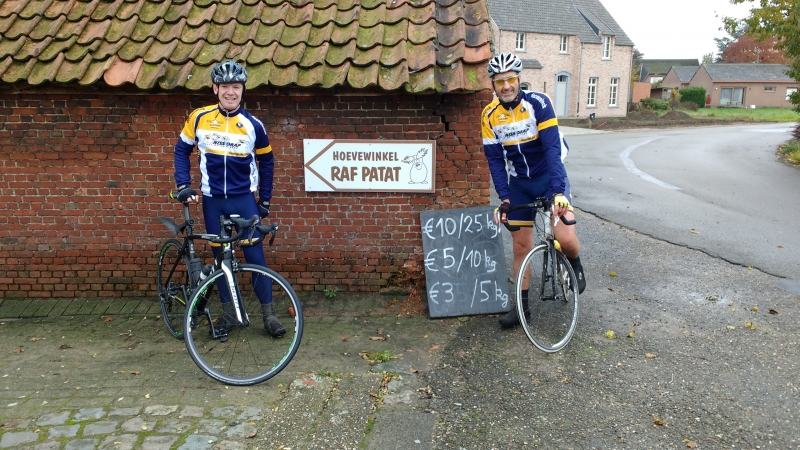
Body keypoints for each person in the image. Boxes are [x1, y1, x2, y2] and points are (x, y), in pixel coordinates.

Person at [173, 60, 285, 337]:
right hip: (213, 203)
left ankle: (269, 317)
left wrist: (265, 199)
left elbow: (267, 162)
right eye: (225, 87)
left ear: (242, 90)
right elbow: (181, 150)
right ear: (215, 88)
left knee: (256, 258)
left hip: (243, 201)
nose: (230, 92)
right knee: (221, 262)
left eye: (236, 87)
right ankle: (229, 316)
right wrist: (183, 184)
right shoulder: (199, 117)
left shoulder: (253, 125)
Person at [480, 53, 586, 328]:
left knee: (565, 236)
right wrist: (504, 198)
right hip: (520, 184)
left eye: (510, 79)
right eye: (499, 81)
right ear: (493, 84)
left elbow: (552, 148)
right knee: (520, 245)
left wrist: (558, 191)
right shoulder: (489, 116)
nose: (506, 86)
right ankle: (521, 309)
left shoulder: (539, 103)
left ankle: (574, 263)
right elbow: (494, 160)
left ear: (519, 79)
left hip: (549, 176)